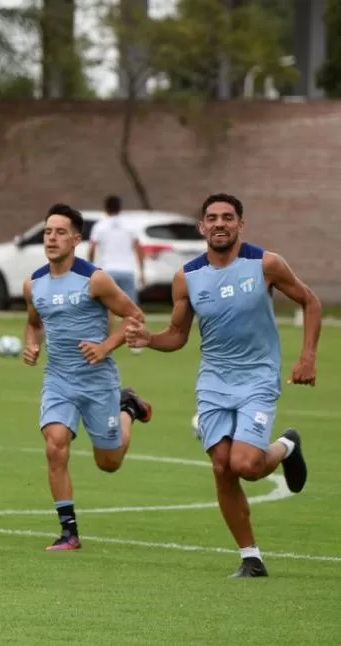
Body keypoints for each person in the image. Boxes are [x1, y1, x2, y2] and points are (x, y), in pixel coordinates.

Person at [125, 193, 319, 578]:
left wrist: (307, 356)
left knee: (245, 464)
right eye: (211, 218)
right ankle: (251, 557)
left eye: (227, 217)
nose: (219, 224)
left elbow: (310, 301)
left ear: (240, 225)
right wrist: (149, 338)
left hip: (258, 379)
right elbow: (178, 335)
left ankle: (286, 445)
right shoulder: (188, 277)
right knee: (221, 467)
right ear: (202, 227)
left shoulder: (266, 264)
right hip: (213, 384)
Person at [23, 203, 154, 551]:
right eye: (48, 231)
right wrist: (31, 346)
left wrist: (106, 346)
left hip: (98, 381)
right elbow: (34, 324)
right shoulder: (33, 283)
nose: (51, 238)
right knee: (55, 445)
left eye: (60, 232)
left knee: (108, 462)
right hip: (59, 379)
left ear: (76, 239)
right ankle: (69, 533)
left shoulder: (95, 279)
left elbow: (133, 315)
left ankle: (128, 408)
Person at [88, 195, 145, 352]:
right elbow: (138, 247)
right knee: (132, 309)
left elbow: (92, 248)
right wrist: (142, 271)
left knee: (106, 309)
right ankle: (135, 344)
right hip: (126, 270)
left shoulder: (100, 226)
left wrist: (91, 267)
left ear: (105, 208)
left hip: (107, 271)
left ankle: (105, 341)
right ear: (120, 207)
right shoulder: (129, 225)